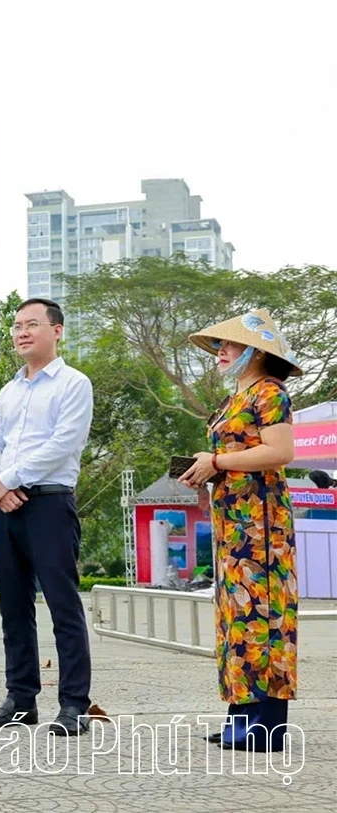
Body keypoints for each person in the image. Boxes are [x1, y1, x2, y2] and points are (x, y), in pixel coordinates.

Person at [177, 309, 300, 752]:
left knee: (262, 617)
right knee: (236, 618)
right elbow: (234, 451)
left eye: (227, 345)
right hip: (234, 526)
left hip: (262, 527)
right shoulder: (236, 398)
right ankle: (240, 717)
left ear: (255, 350)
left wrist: (219, 461)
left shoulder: (270, 392)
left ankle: (265, 726)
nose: (220, 353)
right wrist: (204, 465)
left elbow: (279, 451)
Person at [0, 297, 94, 736]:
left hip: (48, 504)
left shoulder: (73, 384)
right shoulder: (9, 390)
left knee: (63, 606)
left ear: (57, 330)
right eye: (16, 326)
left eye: (32, 324)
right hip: (4, 507)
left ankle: (73, 705)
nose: (21, 332)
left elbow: (63, 444)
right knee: (12, 606)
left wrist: (7, 478)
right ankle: (20, 699)